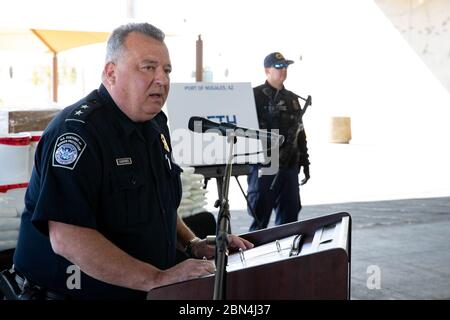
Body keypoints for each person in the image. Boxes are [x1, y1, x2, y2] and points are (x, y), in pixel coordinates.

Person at [2, 22, 253, 300]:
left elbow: (159, 204)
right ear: (111, 72)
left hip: (139, 290)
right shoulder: (78, 133)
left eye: (167, 70)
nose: (162, 79)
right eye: (148, 67)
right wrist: (157, 278)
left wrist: (192, 243)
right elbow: (67, 238)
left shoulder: (155, 124)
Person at [247, 52, 310, 231]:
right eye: (278, 67)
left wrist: (305, 163)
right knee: (259, 220)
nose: (283, 71)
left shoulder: (292, 98)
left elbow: (300, 133)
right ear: (267, 70)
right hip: (265, 164)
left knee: (289, 221)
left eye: (285, 67)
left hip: (290, 165)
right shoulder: (254, 96)